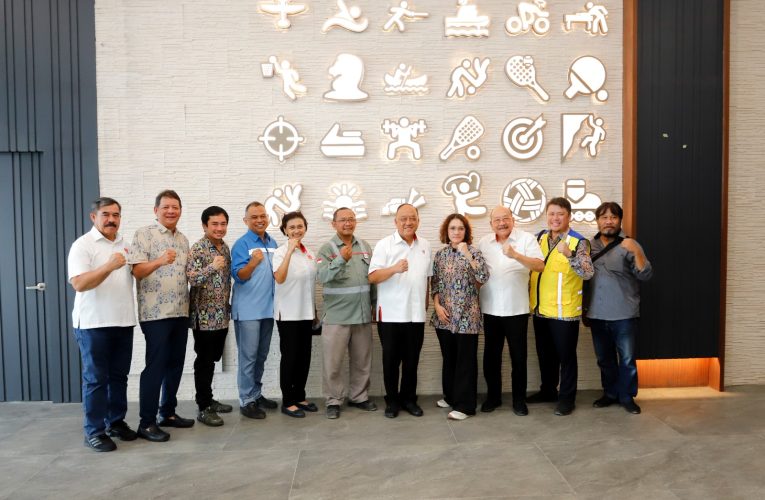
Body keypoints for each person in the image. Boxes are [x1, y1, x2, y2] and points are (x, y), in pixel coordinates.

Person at [68, 197, 136, 452]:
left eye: (116, 215)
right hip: (93, 324)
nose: (111, 219)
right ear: (93, 217)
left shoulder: (125, 245)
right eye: (106, 214)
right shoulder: (82, 246)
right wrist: (109, 266)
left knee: (119, 377)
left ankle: (115, 422)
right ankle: (94, 431)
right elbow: (79, 284)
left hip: (123, 320)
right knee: (96, 379)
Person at [130, 190, 192, 442]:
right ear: (156, 210)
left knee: (176, 364)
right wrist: (159, 260)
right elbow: (137, 271)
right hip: (155, 314)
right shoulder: (144, 234)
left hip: (180, 310)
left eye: (175, 207)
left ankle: (167, 413)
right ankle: (146, 422)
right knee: (155, 366)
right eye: (166, 207)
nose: (170, 211)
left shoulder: (183, 239)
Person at [529, 197, 593, 416]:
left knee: (566, 357)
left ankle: (567, 399)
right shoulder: (539, 237)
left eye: (560, 214)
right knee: (545, 355)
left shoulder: (579, 241)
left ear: (569, 216)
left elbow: (587, 272)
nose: (555, 218)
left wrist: (570, 254)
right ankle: (547, 391)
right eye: (551, 214)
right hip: (540, 309)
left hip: (564, 311)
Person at [586, 202, 652, 414]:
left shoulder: (630, 244)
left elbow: (646, 275)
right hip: (596, 313)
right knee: (604, 359)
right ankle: (610, 393)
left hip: (624, 314)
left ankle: (627, 397)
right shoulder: (588, 246)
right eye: (604, 217)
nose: (608, 221)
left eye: (613, 217)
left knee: (626, 359)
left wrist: (637, 252)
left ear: (620, 220)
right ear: (597, 221)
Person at [478, 206, 545, 416]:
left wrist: (515, 254)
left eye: (505, 218)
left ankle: (518, 400)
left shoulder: (526, 239)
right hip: (490, 309)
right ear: (491, 224)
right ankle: (493, 397)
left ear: (513, 220)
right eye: (496, 220)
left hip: (517, 309)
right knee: (491, 357)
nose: (501, 223)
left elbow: (539, 266)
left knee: (519, 357)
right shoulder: (483, 243)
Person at [368, 204, 432, 418]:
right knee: (391, 361)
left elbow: (427, 279)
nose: (408, 222)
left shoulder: (425, 245)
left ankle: (409, 399)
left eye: (412, 218)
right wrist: (394, 269)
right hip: (391, 315)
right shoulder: (385, 245)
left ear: (418, 221)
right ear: (395, 222)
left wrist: (425, 305)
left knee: (412, 361)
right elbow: (373, 277)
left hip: (416, 316)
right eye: (403, 218)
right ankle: (392, 401)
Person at [316, 208, 377, 419]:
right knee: (333, 363)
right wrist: (340, 259)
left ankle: (359, 396)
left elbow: (373, 277)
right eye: (343, 220)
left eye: (351, 219)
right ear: (334, 224)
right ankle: (334, 400)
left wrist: (375, 306)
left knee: (362, 361)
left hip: (362, 314)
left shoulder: (365, 246)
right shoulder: (327, 248)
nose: (348, 223)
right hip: (336, 316)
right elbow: (321, 276)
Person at [431, 214, 489, 420]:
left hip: (467, 316)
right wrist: (437, 305)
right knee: (450, 359)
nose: (456, 232)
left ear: (466, 231)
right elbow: (435, 283)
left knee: (465, 361)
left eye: (460, 228)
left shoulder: (474, 252)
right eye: (452, 228)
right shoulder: (440, 255)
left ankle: (465, 406)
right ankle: (451, 396)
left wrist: (467, 255)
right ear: (446, 231)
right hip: (444, 317)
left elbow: (483, 277)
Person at [231, 201, 279, 419]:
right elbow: (239, 275)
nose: (260, 220)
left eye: (263, 216)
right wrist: (252, 262)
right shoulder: (242, 244)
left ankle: (256, 393)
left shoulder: (273, 242)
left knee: (261, 355)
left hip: (268, 310)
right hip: (248, 310)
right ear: (246, 221)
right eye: (254, 217)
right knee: (248, 357)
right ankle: (246, 399)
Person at [186, 206, 233, 427]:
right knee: (204, 361)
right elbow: (193, 279)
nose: (219, 228)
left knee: (213, 359)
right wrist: (212, 267)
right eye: (214, 224)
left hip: (222, 315)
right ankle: (203, 406)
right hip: (204, 317)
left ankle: (209, 399)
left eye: (223, 224)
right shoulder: (198, 249)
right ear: (205, 225)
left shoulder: (225, 248)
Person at [273, 211, 319, 418]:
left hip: (306, 312)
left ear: (305, 227)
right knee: (290, 357)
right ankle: (288, 401)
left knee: (304, 357)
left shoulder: (310, 252)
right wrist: (290, 251)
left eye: (300, 226)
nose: (296, 230)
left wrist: (315, 312)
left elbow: (311, 285)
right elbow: (280, 278)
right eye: (291, 227)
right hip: (288, 313)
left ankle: (300, 396)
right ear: (284, 230)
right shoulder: (280, 252)